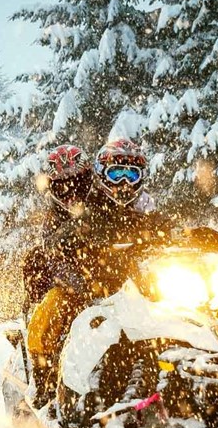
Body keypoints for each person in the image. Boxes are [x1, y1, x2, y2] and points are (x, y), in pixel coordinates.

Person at [26, 139, 171, 410]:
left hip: (133, 279)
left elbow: (159, 224)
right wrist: (77, 240)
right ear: (102, 174)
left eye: (132, 174)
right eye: (117, 174)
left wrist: (189, 235)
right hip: (87, 277)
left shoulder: (144, 204)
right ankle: (45, 380)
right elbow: (62, 240)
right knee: (52, 312)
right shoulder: (92, 205)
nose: (124, 182)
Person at [22, 144, 94, 309]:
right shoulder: (53, 217)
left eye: (78, 183)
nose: (72, 192)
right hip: (72, 287)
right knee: (35, 261)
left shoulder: (102, 202)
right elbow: (51, 254)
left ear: (88, 179)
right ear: (52, 189)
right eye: (63, 186)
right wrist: (79, 286)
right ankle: (37, 318)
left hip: (110, 273)